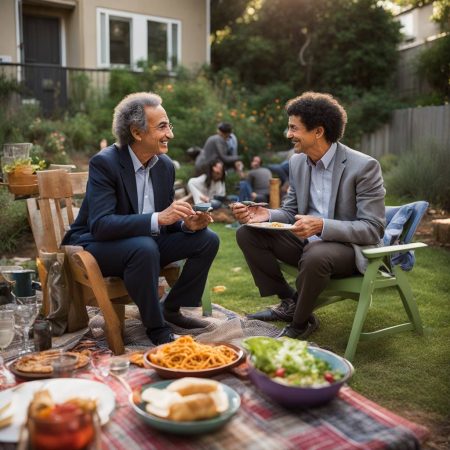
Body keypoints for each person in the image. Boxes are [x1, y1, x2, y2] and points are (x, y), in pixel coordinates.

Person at [62, 92, 220, 345]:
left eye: (169, 125)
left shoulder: (164, 166)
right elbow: (101, 225)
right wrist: (160, 218)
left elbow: (163, 220)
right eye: (163, 127)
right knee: (144, 247)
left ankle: (172, 308)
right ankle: (157, 329)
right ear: (137, 133)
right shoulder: (105, 163)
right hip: (96, 245)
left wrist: (185, 224)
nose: (170, 134)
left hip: (143, 244)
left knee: (207, 239)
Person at [231, 92, 385, 340]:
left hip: (348, 249)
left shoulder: (364, 166)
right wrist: (265, 214)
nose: (288, 134)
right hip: (307, 242)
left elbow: (373, 228)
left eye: (294, 128)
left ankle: (300, 323)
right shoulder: (298, 162)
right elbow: (291, 212)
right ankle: (290, 300)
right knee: (248, 233)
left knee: (316, 254)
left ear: (318, 132)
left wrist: (322, 225)